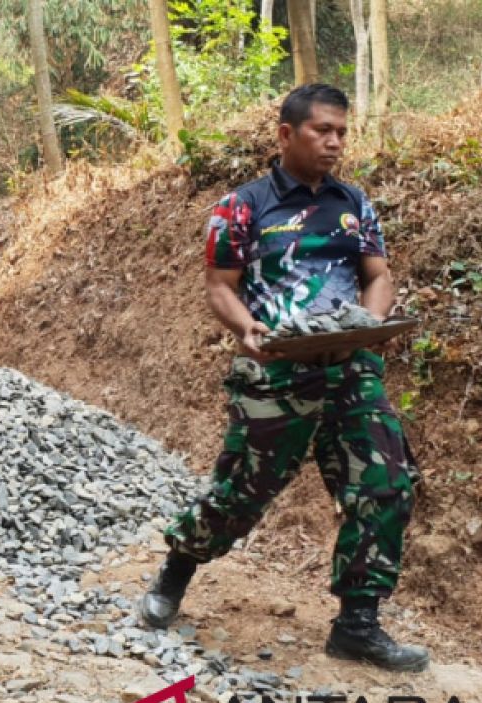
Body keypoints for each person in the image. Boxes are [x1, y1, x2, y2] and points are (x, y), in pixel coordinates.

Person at [139, 84, 430, 673]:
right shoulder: (244, 206)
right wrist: (246, 329)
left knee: (384, 485)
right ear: (286, 134)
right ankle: (177, 569)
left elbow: (379, 274)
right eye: (323, 130)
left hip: (350, 370)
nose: (335, 141)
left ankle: (357, 624)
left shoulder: (354, 203)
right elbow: (220, 283)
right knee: (242, 495)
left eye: (342, 132)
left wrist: (367, 325)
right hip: (274, 374)